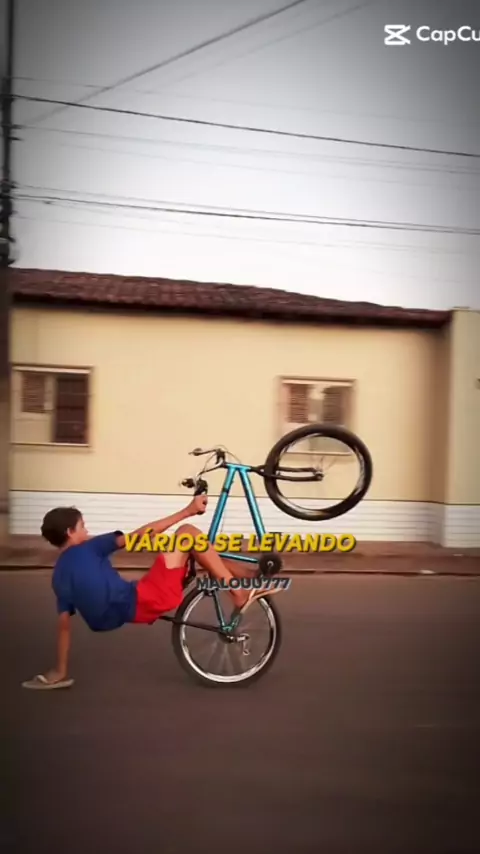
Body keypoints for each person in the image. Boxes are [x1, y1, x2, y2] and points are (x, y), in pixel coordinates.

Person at [22, 495, 279, 690]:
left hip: (134, 605)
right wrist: (188, 511)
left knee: (197, 550)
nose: (87, 532)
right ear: (70, 533)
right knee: (188, 533)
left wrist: (60, 671)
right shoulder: (90, 547)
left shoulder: (59, 577)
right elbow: (141, 535)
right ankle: (238, 593)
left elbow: (64, 627)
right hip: (147, 597)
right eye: (82, 527)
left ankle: (249, 575)